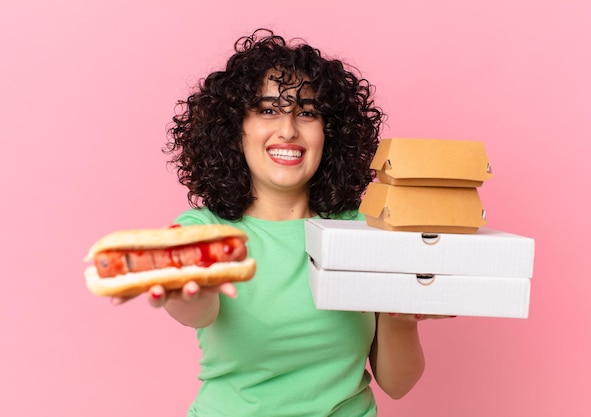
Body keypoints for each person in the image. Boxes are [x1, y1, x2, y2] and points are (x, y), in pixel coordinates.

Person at [116, 28, 445, 417]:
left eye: (307, 112)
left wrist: (403, 315)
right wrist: (186, 291)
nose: (288, 130)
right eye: (268, 110)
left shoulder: (365, 232)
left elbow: (398, 384)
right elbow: (198, 308)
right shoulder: (203, 231)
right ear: (235, 128)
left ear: (330, 132)